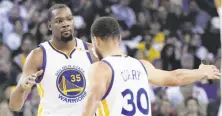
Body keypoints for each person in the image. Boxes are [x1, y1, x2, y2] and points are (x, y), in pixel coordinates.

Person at [81, 17, 220, 116]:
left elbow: (91, 102)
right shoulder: (142, 65)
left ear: (96, 40)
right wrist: (200, 72)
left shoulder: (101, 68)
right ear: (119, 39)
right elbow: (175, 77)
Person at [9, 4, 97, 116]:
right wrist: (22, 88)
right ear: (49, 26)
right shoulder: (38, 55)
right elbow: (14, 106)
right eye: (59, 21)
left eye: (69, 19)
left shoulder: (91, 51)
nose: (65, 24)